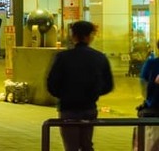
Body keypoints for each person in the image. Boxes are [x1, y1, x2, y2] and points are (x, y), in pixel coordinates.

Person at [45, 20, 114, 151]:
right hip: (89, 107)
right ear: (90, 36)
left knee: (71, 146)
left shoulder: (62, 57)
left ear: (73, 36)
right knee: (87, 144)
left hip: (67, 108)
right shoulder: (99, 57)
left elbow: (51, 84)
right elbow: (108, 85)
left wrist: (63, 95)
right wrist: (94, 93)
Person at [137, 40, 159, 151]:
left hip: (154, 108)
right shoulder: (152, 63)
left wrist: (147, 98)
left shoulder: (151, 63)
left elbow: (143, 85)